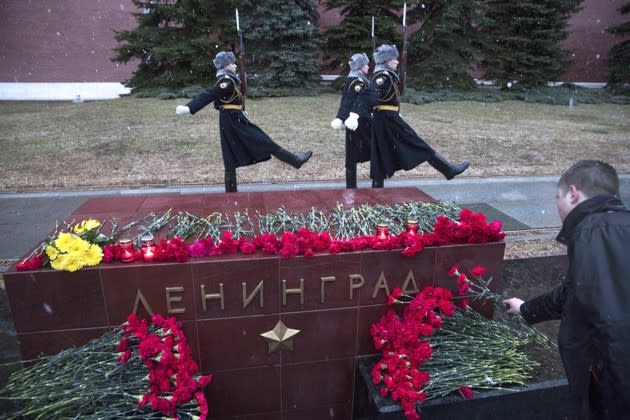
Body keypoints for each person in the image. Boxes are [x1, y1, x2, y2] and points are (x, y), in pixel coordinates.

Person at [504, 160, 630, 419]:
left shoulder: (593, 233)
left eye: (557, 197)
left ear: (573, 194)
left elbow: (610, 319)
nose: (557, 205)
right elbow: (577, 293)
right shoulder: (615, 227)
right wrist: (526, 310)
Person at [176, 51, 312, 193]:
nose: (235, 66)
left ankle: (231, 191)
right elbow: (210, 94)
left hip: (231, 118)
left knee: (230, 156)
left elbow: (227, 99)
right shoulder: (226, 81)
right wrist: (189, 108)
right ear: (226, 65)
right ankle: (295, 160)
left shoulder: (230, 80)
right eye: (232, 63)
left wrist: (240, 109)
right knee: (263, 141)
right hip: (234, 120)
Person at [344, 44, 468, 188]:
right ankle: (448, 170)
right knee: (416, 143)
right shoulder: (382, 77)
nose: (397, 62)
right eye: (394, 59)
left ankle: (377, 190)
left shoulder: (385, 76)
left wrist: (394, 110)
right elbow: (367, 96)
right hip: (387, 119)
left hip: (385, 117)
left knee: (381, 155)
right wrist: (354, 114)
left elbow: (382, 98)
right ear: (387, 61)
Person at [330, 53, 372, 189]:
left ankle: (352, 184)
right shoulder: (357, 82)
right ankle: (351, 185)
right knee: (353, 154)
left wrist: (340, 117)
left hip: (357, 121)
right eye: (366, 64)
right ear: (360, 67)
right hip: (358, 122)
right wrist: (343, 117)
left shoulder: (356, 79)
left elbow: (346, 102)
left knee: (354, 153)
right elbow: (350, 102)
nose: (368, 66)